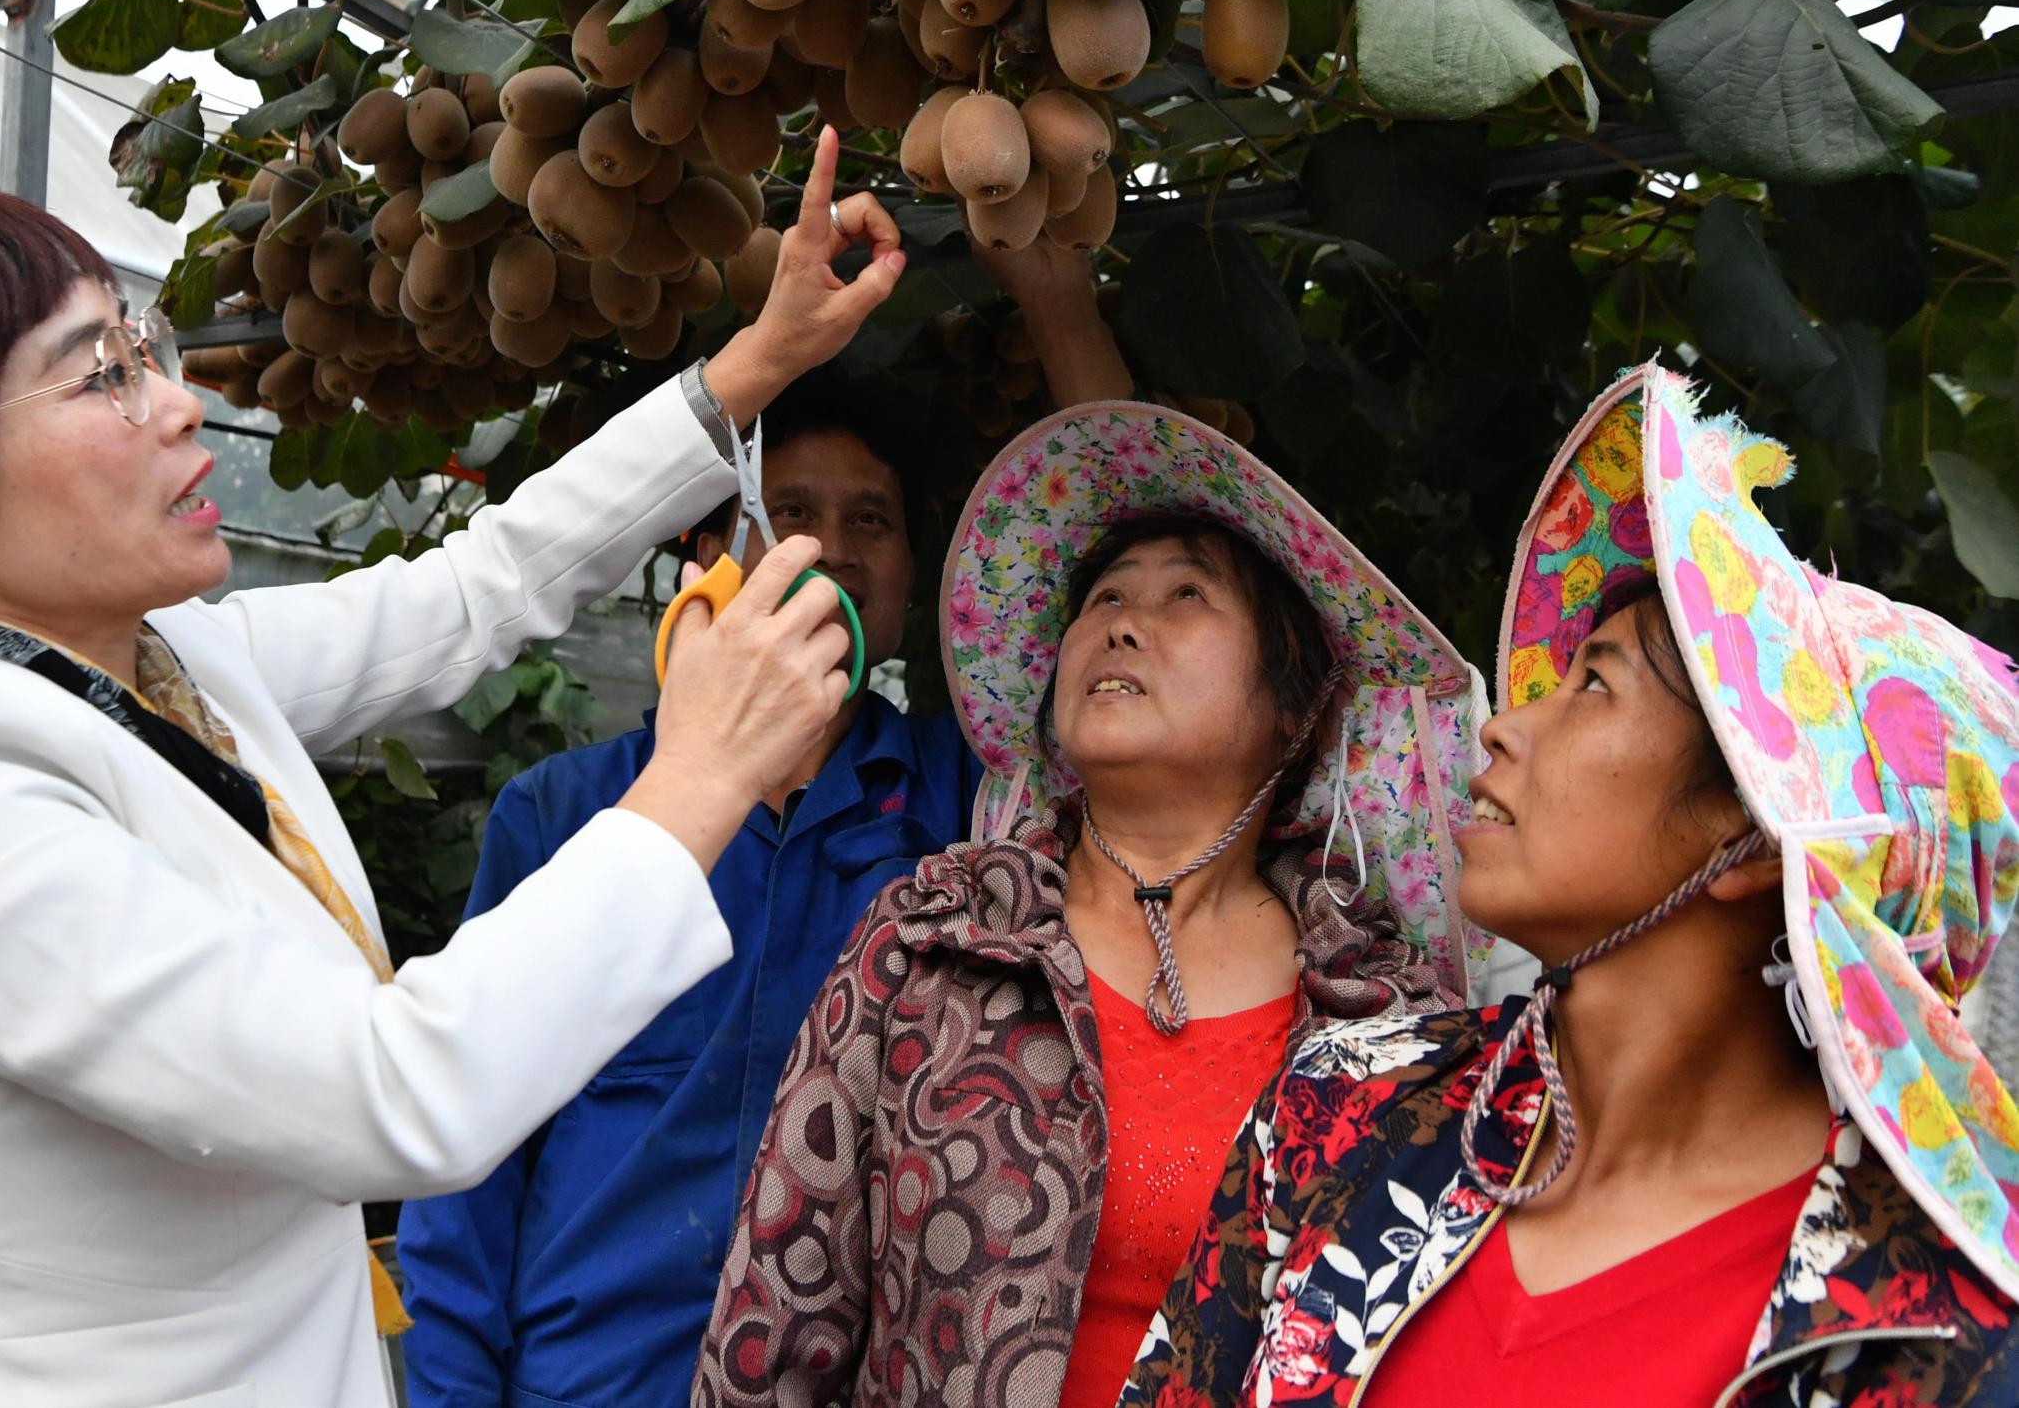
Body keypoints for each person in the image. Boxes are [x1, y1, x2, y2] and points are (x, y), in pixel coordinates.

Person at [0, 128, 902, 1408]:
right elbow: (391, 1094)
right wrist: (703, 770)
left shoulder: (156, 663)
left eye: (140, 342)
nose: (178, 397)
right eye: (98, 379)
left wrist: (765, 356)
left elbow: (475, 590)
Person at [1118, 363, 2019, 1408]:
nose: (1503, 722)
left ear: (1761, 837)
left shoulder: (1921, 1325)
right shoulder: (1346, 1112)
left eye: (1594, 682)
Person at [395, 241, 1136, 1408]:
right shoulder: (567, 814)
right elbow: (465, 1155)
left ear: (909, 577)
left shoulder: (971, 808)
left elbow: (1131, 541)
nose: (832, 548)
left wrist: (1054, 296)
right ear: (707, 553)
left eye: (872, 520)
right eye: (788, 511)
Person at [690, 400, 1492, 1408]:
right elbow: (772, 1323)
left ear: (1296, 706)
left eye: (1185, 595)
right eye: (1104, 595)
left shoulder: (1387, 1015)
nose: (1119, 620)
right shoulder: (932, 941)